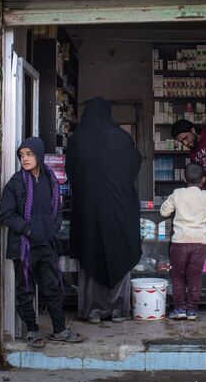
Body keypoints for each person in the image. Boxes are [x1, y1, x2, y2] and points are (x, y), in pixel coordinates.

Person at [0, 137, 83, 348]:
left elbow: (56, 210)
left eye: (29, 154)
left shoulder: (50, 180)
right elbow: (6, 215)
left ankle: (59, 329)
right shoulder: (16, 183)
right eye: (21, 155)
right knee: (25, 290)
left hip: (46, 244)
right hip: (23, 246)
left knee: (53, 287)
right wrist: (28, 230)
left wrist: (53, 228)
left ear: (38, 154)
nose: (25, 159)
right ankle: (33, 331)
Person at [67, 97, 142, 324]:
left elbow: (71, 172)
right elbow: (135, 162)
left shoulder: (77, 140)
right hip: (119, 209)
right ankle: (118, 310)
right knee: (119, 252)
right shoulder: (121, 138)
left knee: (90, 254)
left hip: (88, 210)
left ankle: (92, 311)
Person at [160, 162, 206, 321]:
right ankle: (192, 311)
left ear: (184, 178)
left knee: (177, 276)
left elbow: (163, 212)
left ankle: (180, 309)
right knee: (195, 277)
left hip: (179, 243)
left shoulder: (177, 193)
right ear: (203, 179)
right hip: (199, 244)